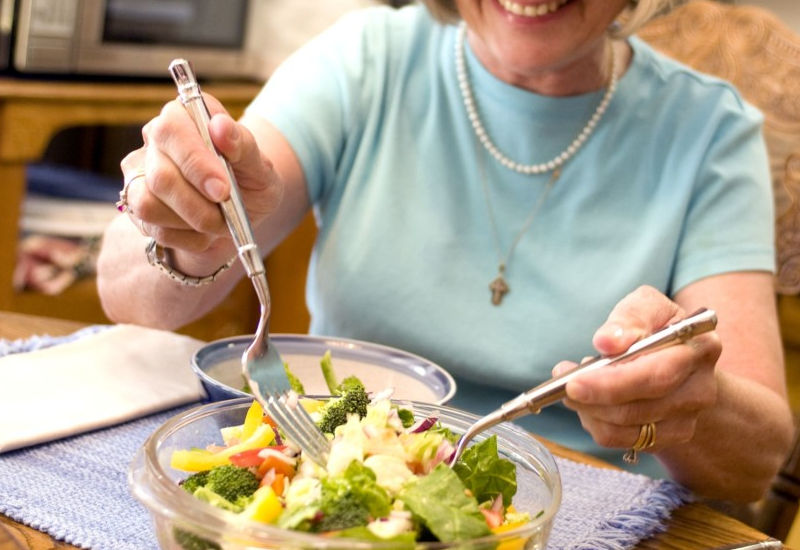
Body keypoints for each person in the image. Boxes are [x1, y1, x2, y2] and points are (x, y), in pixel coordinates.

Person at [96, 0, 794, 502]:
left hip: (583, 514)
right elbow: (132, 298)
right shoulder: (365, 60)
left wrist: (681, 402)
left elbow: (754, 463)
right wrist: (184, 219)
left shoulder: (710, 131)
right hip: (343, 483)